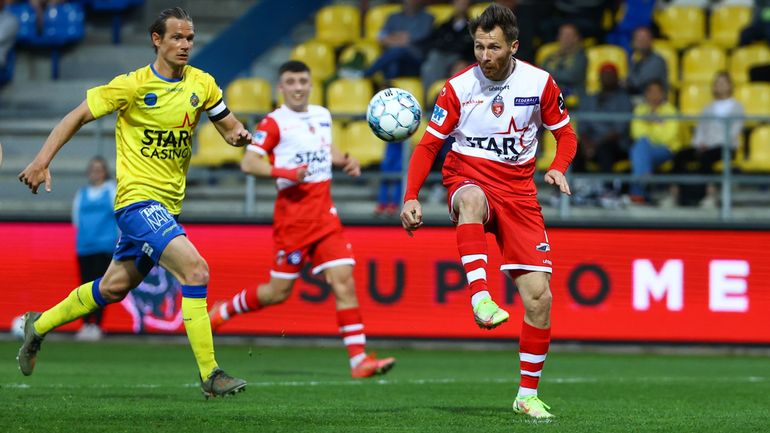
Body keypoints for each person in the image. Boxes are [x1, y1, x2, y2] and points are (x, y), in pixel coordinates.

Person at [16, 7, 250, 398]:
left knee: (112, 288)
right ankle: (211, 374)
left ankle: (37, 326)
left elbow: (228, 126)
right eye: (177, 37)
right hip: (137, 202)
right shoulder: (132, 86)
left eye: (190, 38)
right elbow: (77, 116)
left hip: (167, 207)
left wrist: (239, 135)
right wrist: (42, 161)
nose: (185, 45)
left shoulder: (203, 84)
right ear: (157, 40)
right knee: (196, 270)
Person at [400, 4, 576, 419]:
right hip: (468, 175)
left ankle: (526, 396)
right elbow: (428, 146)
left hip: (519, 193)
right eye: (479, 47)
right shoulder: (458, 87)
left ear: (513, 46)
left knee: (540, 299)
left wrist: (558, 167)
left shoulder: (539, 83)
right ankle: (480, 298)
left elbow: (565, 134)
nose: (484, 55)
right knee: (472, 201)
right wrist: (410, 196)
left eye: (493, 47)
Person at [209, 60, 396, 379]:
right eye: (291, 82)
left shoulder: (322, 115)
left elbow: (324, 148)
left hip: (325, 216)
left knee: (344, 281)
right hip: (293, 221)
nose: (298, 87)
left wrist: (345, 159)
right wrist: (286, 172)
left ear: (311, 84)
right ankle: (224, 310)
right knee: (277, 292)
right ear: (281, 88)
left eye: (303, 81)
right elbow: (249, 163)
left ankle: (359, 361)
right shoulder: (273, 123)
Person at [72, 156, 119, 341]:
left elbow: (119, 216)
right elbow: (76, 219)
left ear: (105, 172)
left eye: (99, 169)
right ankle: (85, 324)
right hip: (84, 247)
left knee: (100, 287)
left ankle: (97, 325)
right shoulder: (81, 193)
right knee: (83, 286)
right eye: (93, 169)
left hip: (104, 246)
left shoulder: (111, 190)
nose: (96, 173)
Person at [684, 72, 744, 208]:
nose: (719, 86)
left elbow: (733, 132)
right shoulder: (708, 107)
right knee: (681, 155)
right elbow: (700, 128)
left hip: (726, 146)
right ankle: (674, 194)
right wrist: (698, 144)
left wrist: (710, 144)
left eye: (723, 82)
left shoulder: (737, 107)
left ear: (730, 86)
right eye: (717, 83)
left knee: (706, 156)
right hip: (705, 145)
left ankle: (710, 195)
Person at [628, 79, 681, 204]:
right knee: (641, 146)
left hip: (665, 150)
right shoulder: (640, 110)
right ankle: (645, 181)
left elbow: (668, 137)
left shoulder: (671, 111)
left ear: (663, 94)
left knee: (638, 150)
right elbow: (636, 133)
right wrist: (658, 125)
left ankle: (638, 193)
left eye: (657, 92)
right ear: (646, 94)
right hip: (646, 148)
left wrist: (649, 124)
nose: (654, 95)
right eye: (651, 92)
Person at [576, 63, 633, 174]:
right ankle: (572, 183)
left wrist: (595, 145)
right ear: (599, 78)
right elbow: (582, 127)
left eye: (611, 75)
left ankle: (607, 184)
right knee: (572, 147)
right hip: (590, 144)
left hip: (616, 145)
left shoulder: (624, 100)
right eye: (605, 75)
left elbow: (619, 130)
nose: (607, 78)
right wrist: (586, 144)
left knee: (605, 149)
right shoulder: (589, 99)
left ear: (616, 78)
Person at [363, 0, 434, 80]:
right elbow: (382, 37)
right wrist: (400, 38)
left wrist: (393, 37)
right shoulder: (393, 17)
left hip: (415, 61)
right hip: (394, 58)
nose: (408, 2)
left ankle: (365, 73)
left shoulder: (427, 18)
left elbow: (415, 38)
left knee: (398, 50)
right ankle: (389, 84)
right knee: (393, 62)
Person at [418, 0, 474, 95]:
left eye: (464, 2)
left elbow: (475, 50)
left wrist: (466, 61)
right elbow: (433, 43)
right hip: (441, 58)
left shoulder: (474, 28)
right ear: (453, 3)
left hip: (460, 59)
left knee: (460, 69)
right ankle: (431, 99)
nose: (461, 4)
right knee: (429, 65)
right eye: (458, 1)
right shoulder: (444, 26)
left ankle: (448, 99)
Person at [539, 22, 587, 103]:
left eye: (569, 35)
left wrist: (549, 74)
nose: (565, 38)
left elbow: (571, 76)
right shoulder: (550, 57)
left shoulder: (581, 57)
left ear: (576, 38)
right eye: (563, 35)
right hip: (551, 94)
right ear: (558, 37)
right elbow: (541, 73)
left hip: (573, 96)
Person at [626, 26, 668, 98]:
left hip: (652, 100)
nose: (642, 42)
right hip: (633, 98)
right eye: (639, 39)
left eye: (645, 39)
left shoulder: (657, 61)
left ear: (651, 41)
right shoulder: (633, 59)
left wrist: (626, 82)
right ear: (633, 42)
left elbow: (637, 82)